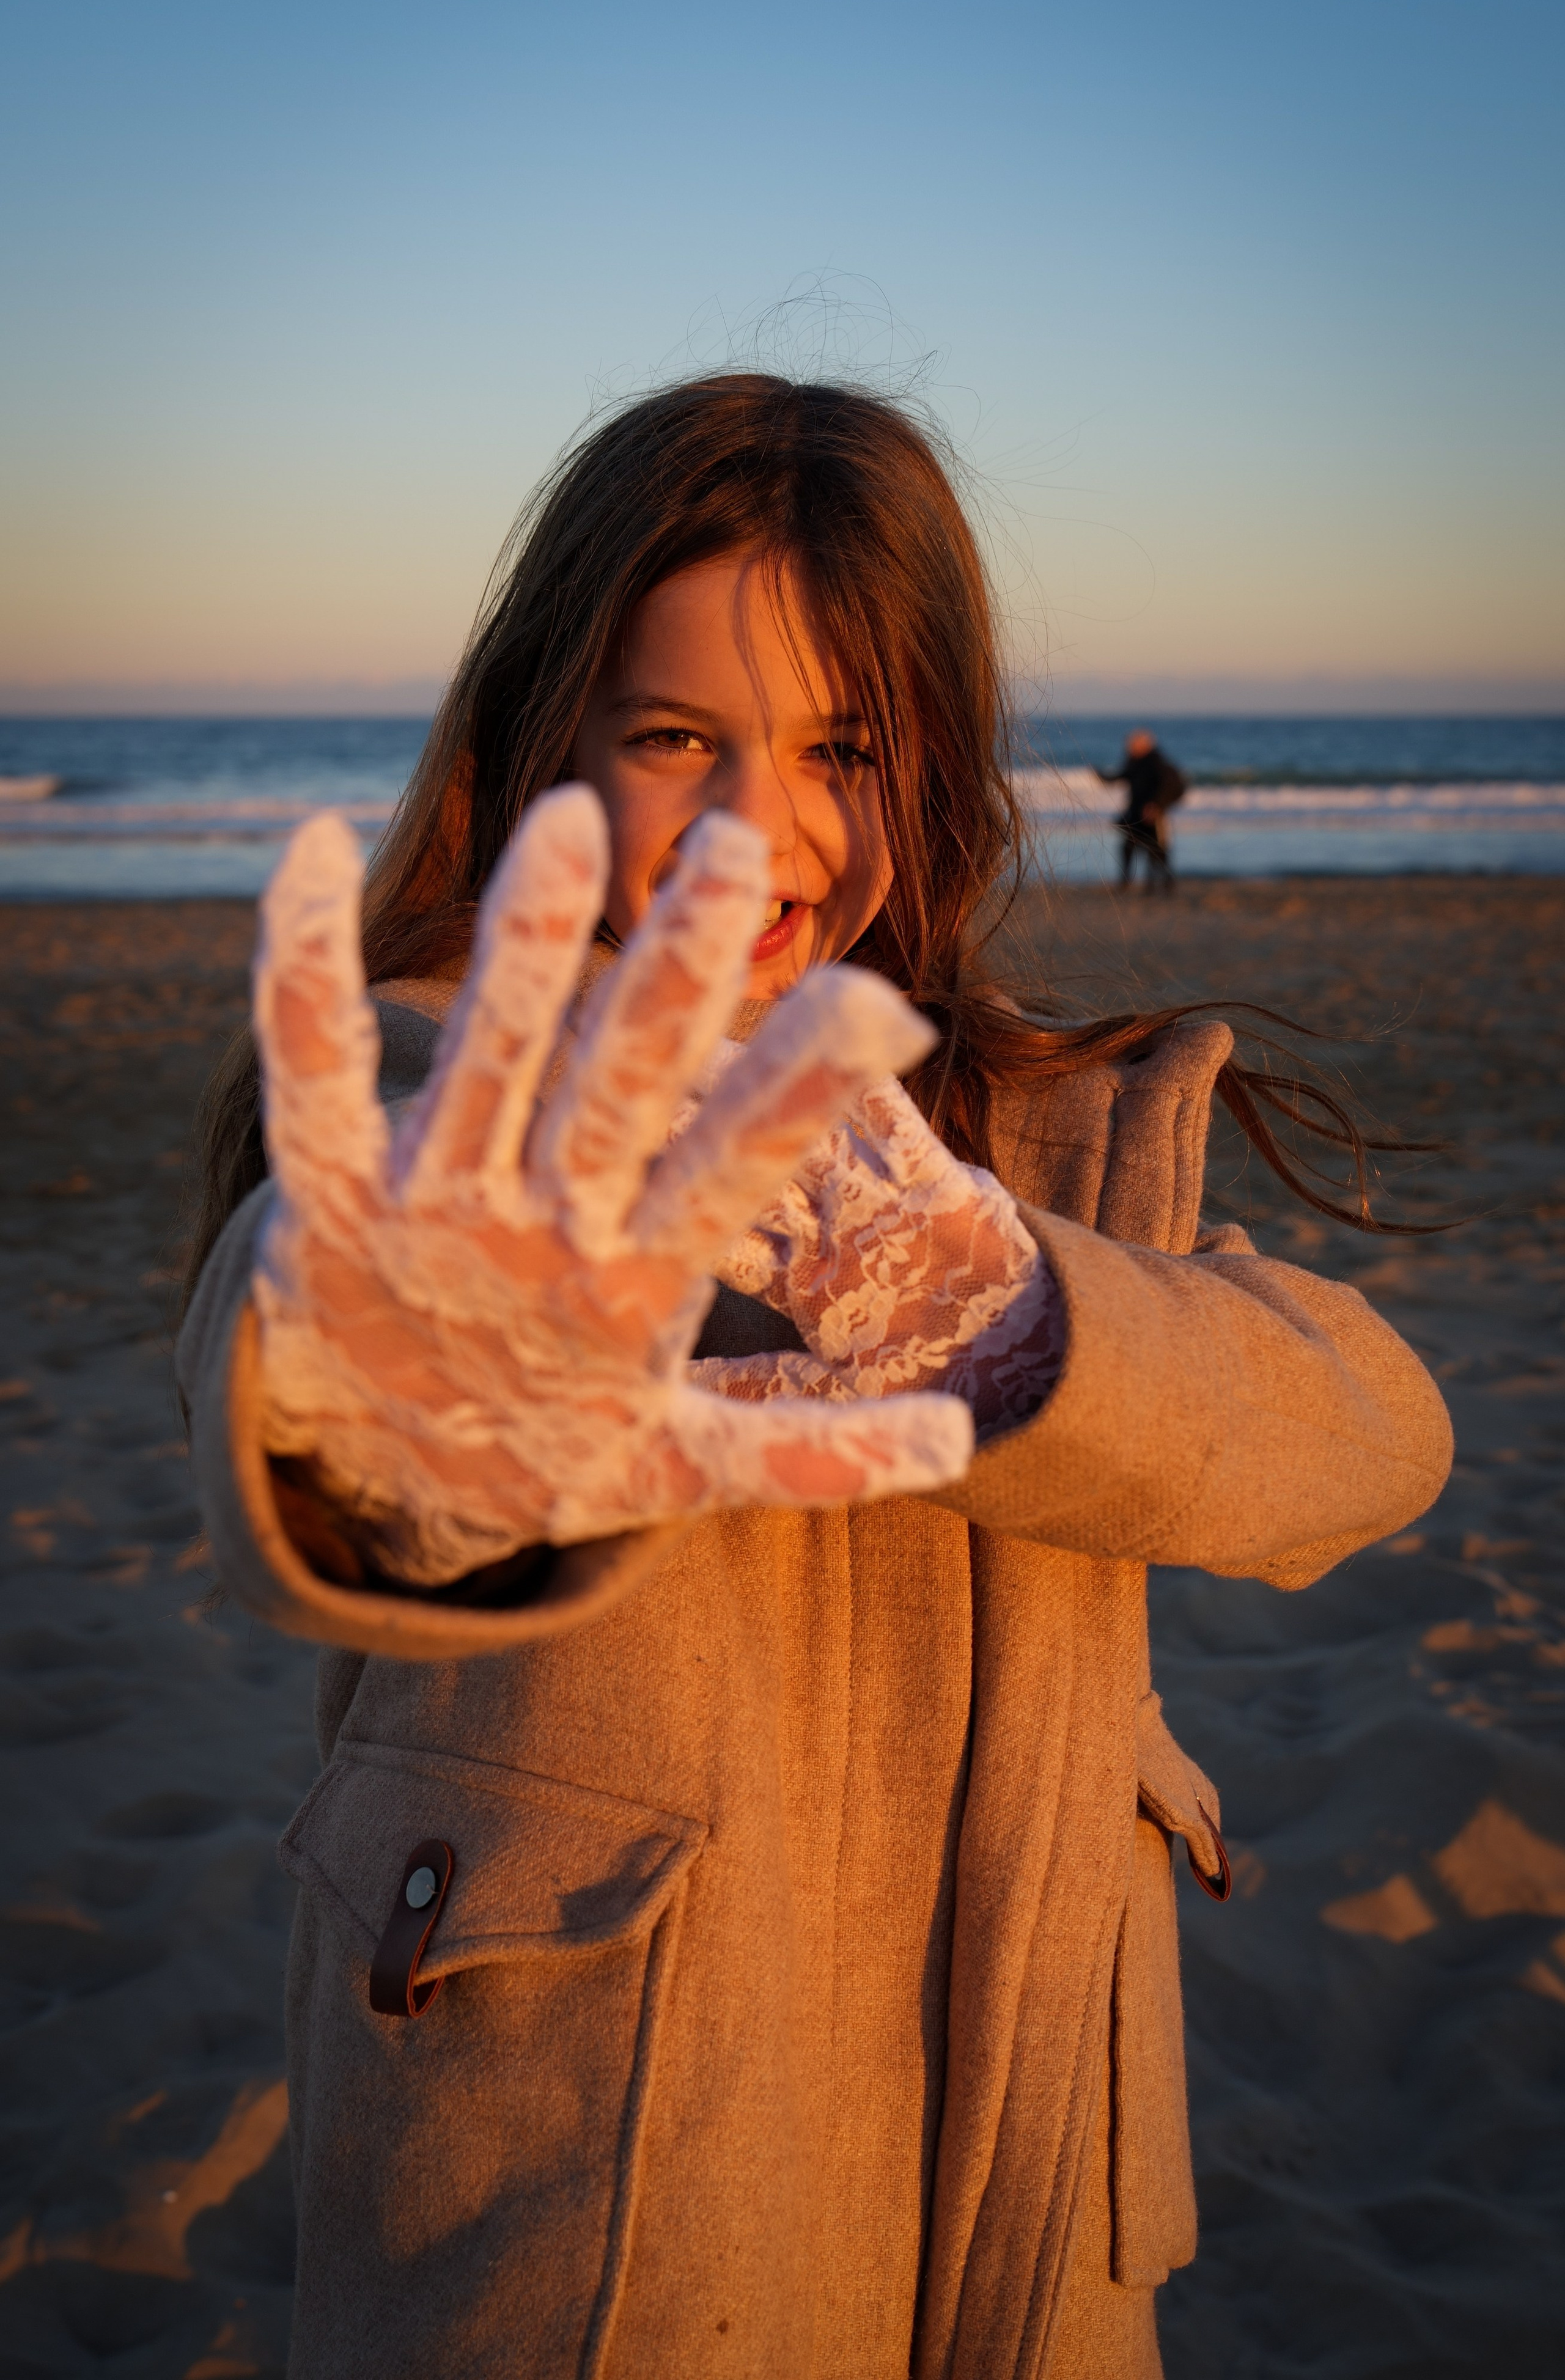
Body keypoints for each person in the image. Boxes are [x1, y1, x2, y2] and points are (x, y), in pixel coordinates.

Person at [179, 374, 1451, 2380]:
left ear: (930, 773)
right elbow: (322, 1378)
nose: (754, 830)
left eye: (840, 745)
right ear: (546, 748)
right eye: (677, 736)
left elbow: (1376, 1434)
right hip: (607, 2229)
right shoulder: (457, 1087)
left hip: (1021, 2229)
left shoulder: (1051, 1133)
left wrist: (1007, 1324)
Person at [1098, 727, 1186, 891]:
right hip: (1135, 815)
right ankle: (1126, 883)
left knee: (1157, 851)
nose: (1128, 748)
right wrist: (1100, 775)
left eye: (1132, 745)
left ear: (1144, 746)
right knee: (1128, 848)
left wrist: (1157, 805)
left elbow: (1174, 787)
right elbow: (1121, 776)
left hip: (1153, 815)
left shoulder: (1157, 763)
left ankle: (1165, 883)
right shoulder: (1135, 762)